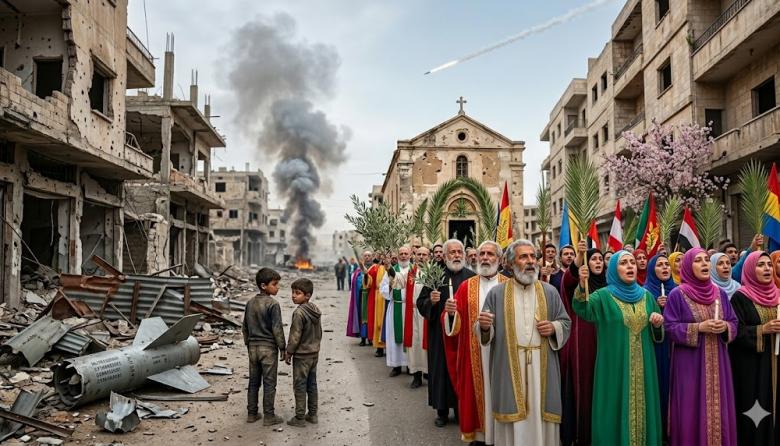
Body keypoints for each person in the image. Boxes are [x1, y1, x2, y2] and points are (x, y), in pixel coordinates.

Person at [478, 239, 571, 445]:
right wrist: (484, 327)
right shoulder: (497, 293)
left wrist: (554, 328)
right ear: (510, 264)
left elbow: (565, 322)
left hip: (542, 366)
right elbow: (486, 331)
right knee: (514, 419)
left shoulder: (550, 292)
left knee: (541, 415)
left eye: (532, 256)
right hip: (509, 368)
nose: (530, 261)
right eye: (523, 257)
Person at [573, 250, 664, 445]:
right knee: (613, 410)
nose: (630, 266)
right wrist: (582, 284)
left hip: (644, 371)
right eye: (624, 263)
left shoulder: (647, 297)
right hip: (614, 370)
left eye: (632, 262)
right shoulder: (602, 296)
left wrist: (657, 325)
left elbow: (658, 332)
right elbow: (583, 309)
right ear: (614, 269)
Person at [663, 248, 737, 445]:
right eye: (698, 260)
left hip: (718, 363)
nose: (704, 264)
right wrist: (699, 328)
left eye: (706, 260)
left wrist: (725, 327)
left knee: (718, 409)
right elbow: (669, 327)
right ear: (688, 266)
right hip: (689, 365)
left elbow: (733, 321)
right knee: (690, 409)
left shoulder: (719, 293)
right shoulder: (677, 295)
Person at [443, 241, 508, 444]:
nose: (485, 257)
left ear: (499, 259)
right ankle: (479, 435)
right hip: (475, 353)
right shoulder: (466, 286)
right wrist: (451, 313)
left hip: (503, 353)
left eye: (490, 254)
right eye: (482, 254)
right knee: (476, 395)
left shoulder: (509, 284)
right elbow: (453, 322)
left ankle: (502, 434)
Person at [417, 239, 475, 427]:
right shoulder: (435, 276)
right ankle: (441, 412)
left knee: (462, 371)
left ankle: (460, 409)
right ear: (445, 255)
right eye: (453, 252)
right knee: (441, 371)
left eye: (459, 252)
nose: (457, 255)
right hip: (440, 335)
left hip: (463, 336)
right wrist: (432, 302)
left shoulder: (472, 277)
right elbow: (420, 303)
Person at [728, 251, 780, 444]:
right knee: (756, 416)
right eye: (760, 265)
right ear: (750, 269)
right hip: (754, 370)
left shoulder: (779, 295)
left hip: (777, 362)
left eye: (768, 264)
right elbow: (735, 332)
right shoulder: (740, 298)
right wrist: (762, 330)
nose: (766, 268)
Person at [558, 240, 604, 446]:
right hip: (583, 342)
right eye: (593, 258)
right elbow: (568, 280)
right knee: (585, 387)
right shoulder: (577, 283)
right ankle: (582, 435)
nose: (598, 262)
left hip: (605, 341)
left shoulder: (609, 284)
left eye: (601, 259)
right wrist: (579, 259)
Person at [243, 268, 286, 426]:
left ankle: (252, 414)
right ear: (263, 285)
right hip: (268, 349)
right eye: (274, 284)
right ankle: (269, 416)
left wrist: (248, 344)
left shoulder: (250, 303)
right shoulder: (273, 304)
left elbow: (244, 327)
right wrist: (283, 348)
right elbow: (277, 329)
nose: (277, 287)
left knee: (253, 382)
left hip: (253, 348)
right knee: (269, 383)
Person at [643, 253, 676, 440]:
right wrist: (656, 306)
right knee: (660, 384)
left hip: (676, 346)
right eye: (659, 265)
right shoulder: (645, 292)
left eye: (667, 264)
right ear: (651, 270)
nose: (664, 268)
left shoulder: (678, 290)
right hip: (657, 348)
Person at [284, 278, 322, 427]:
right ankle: (312, 414)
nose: (293, 296)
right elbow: (319, 332)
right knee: (311, 384)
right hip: (314, 353)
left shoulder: (299, 313)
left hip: (302, 356)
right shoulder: (315, 310)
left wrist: (289, 352)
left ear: (307, 296)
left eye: (297, 293)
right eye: (292, 292)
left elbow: (295, 336)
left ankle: (299, 417)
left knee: (300, 385)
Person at [381, 246, 413, 376]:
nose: (404, 256)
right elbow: (382, 289)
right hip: (396, 307)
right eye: (401, 254)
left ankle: (412, 366)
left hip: (411, 308)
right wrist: (389, 283)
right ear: (398, 255)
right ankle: (396, 365)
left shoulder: (415, 270)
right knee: (394, 337)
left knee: (411, 337)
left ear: (410, 255)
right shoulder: (391, 270)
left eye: (406, 253)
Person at [408, 247, 430, 389]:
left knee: (427, 344)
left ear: (429, 257)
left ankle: (429, 373)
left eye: (424, 254)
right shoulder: (411, 272)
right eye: (419, 254)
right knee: (414, 344)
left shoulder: (433, 272)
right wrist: (389, 269)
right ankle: (416, 375)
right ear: (415, 256)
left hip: (427, 314)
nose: (421, 257)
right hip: (413, 313)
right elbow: (398, 282)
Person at [347, 250, 372, 345]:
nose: (367, 257)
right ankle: (363, 338)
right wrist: (361, 283)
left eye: (369, 256)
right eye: (365, 256)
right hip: (362, 296)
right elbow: (356, 282)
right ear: (363, 257)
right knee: (362, 317)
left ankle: (370, 338)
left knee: (371, 317)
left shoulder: (375, 268)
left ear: (372, 257)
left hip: (372, 296)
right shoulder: (358, 270)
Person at [365, 255, 387, 357]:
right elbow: (368, 282)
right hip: (379, 298)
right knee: (379, 323)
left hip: (390, 297)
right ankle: (379, 347)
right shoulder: (374, 268)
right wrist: (365, 274)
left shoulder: (392, 267)